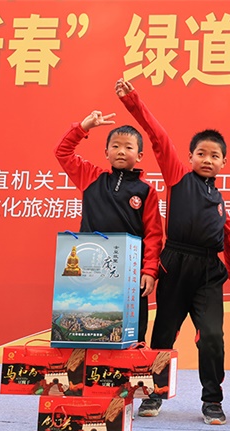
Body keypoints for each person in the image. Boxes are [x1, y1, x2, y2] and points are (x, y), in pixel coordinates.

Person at [115, 78, 230, 425]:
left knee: (212, 336)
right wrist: (132, 100)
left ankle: (212, 400)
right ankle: (153, 393)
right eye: (201, 154)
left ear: (223, 162)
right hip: (175, 264)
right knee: (164, 334)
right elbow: (156, 135)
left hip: (208, 273)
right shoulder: (177, 177)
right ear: (189, 157)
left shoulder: (220, 202)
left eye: (214, 156)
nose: (207, 159)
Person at [54, 108, 164, 347]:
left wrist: (149, 270)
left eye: (128, 147)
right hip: (89, 269)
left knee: (133, 333)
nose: (121, 151)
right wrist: (83, 127)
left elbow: (154, 235)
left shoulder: (146, 191)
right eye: (115, 146)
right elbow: (62, 152)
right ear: (106, 152)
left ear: (140, 155)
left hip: (130, 271)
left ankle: (132, 368)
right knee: (84, 328)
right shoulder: (91, 177)